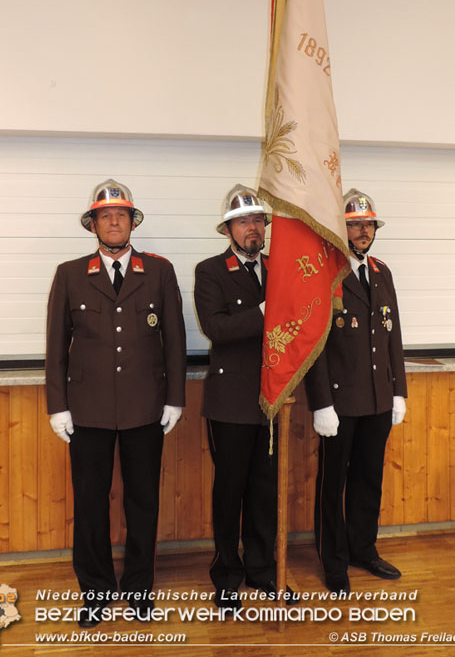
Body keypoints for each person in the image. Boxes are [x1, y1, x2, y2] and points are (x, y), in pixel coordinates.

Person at [45, 179, 186, 628]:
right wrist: (57, 405)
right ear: (93, 224)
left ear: (131, 222)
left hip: (146, 406)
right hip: (87, 410)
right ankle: (96, 590)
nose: (113, 221)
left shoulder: (160, 271)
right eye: (105, 216)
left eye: (121, 215)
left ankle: (140, 590)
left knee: (143, 501)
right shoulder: (69, 273)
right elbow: (55, 345)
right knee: (90, 503)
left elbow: (176, 341)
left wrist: (175, 399)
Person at [194, 185, 296, 612]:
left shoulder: (283, 270)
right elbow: (215, 328)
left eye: (257, 221)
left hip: (274, 399)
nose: (252, 228)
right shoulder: (211, 271)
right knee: (230, 491)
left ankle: (262, 570)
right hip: (231, 401)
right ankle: (227, 575)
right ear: (228, 229)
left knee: (264, 490)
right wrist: (263, 311)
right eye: (243, 222)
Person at [305, 189, 407, 593]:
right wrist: (321, 403)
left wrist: (399, 390)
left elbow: (392, 335)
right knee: (333, 483)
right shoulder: (324, 272)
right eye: (354, 225)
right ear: (340, 228)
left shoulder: (382, 272)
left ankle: (364, 549)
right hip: (340, 401)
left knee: (369, 478)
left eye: (367, 225)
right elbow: (314, 344)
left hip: (378, 398)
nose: (362, 231)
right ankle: (334, 561)